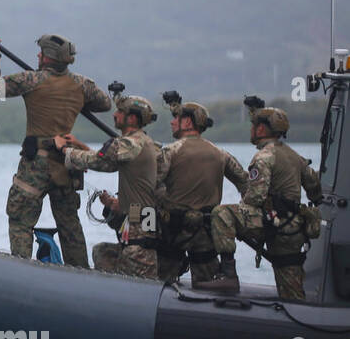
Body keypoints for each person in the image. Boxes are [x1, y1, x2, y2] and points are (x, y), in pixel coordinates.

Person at [0, 33, 110, 265]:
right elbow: (104, 103)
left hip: (35, 166)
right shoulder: (82, 85)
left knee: (21, 219)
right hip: (67, 164)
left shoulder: (32, 80)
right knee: (69, 223)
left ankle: (22, 268)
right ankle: (80, 272)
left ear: (48, 58)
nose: (38, 55)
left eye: (41, 53)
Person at [196, 103, 322, 299]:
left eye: (253, 124)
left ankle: (228, 275)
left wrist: (242, 205)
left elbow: (255, 197)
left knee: (222, 213)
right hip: (294, 229)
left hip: (274, 224)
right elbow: (315, 189)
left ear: (261, 128)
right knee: (291, 287)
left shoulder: (264, 157)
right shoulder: (295, 156)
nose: (251, 129)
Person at [56, 95, 160, 279]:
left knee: (138, 273)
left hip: (140, 226)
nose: (115, 114)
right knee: (101, 252)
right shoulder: (143, 142)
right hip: (142, 217)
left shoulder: (131, 143)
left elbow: (101, 162)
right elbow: (109, 160)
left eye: (120, 112)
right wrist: (115, 203)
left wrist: (65, 150)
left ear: (133, 118)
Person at [154, 95, 249, 284]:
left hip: (174, 231)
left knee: (161, 281)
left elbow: (151, 185)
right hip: (206, 232)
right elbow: (246, 183)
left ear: (188, 122)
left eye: (177, 118)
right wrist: (242, 213)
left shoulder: (170, 151)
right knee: (208, 285)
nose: (172, 122)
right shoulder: (221, 154)